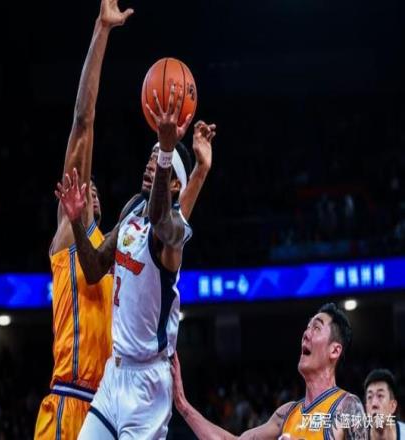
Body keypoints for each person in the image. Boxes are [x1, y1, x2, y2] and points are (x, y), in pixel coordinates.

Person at [56, 84, 217, 438]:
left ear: (174, 185)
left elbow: (161, 218)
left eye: (159, 163)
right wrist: (77, 222)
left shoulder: (173, 232)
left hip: (148, 385)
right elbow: (94, 269)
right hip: (115, 374)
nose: (150, 165)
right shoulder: (132, 210)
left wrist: (171, 151)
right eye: (150, 158)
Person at [34, 1, 134, 438]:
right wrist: (102, 31)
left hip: (108, 409)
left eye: (94, 188)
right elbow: (83, 121)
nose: (88, 188)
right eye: (83, 185)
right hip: (68, 400)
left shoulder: (112, 256)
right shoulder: (68, 235)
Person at [171, 303, 369, 440]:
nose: (306, 334)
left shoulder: (347, 406)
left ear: (334, 351)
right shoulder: (286, 414)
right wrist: (182, 405)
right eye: (307, 327)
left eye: (316, 328)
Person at [364, 368, 405, 439]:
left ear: (393, 406)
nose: (374, 404)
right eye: (370, 397)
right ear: (366, 408)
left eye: (380, 396)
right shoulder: (357, 437)